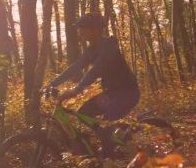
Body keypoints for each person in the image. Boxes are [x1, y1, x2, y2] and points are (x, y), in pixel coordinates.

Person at [44, 12, 140, 154]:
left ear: (95, 29)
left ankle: (109, 156)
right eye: (79, 28)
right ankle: (112, 144)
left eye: (83, 27)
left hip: (127, 93)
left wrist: (76, 90)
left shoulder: (108, 47)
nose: (80, 31)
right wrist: (52, 83)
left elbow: (95, 71)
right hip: (112, 93)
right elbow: (75, 67)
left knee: (107, 123)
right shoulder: (91, 50)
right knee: (84, 112)